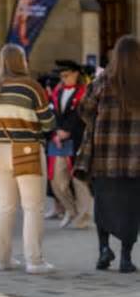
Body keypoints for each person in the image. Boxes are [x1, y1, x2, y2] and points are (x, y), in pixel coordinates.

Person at [0, 44, 56, 275]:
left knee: (5, 206)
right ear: (21, 61)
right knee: (33, 207)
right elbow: (48, 123)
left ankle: (1, 259)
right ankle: (34, 261)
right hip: (26, 150)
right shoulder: (31, 87)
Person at [77, 35, 140, 273]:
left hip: (104, 159)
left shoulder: (103, 80)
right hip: (135, 161)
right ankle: (125, 258)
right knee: (131, 209)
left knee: (103, 205)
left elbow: (84, 109)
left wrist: (100, 125)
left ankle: (104, 250)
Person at [48, 60, 92, 229]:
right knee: (57, 181)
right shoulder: (57, 92)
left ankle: (84, 217)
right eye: (61, 75)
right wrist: (56, 132)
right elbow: (52, 113)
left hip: (77, 139)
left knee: (79, 180)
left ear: (75, 74)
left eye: (66, 75)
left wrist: (68, 131)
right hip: (58, 141)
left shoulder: (84, 92)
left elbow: (82, 115)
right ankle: (71, 210)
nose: (63, 78)